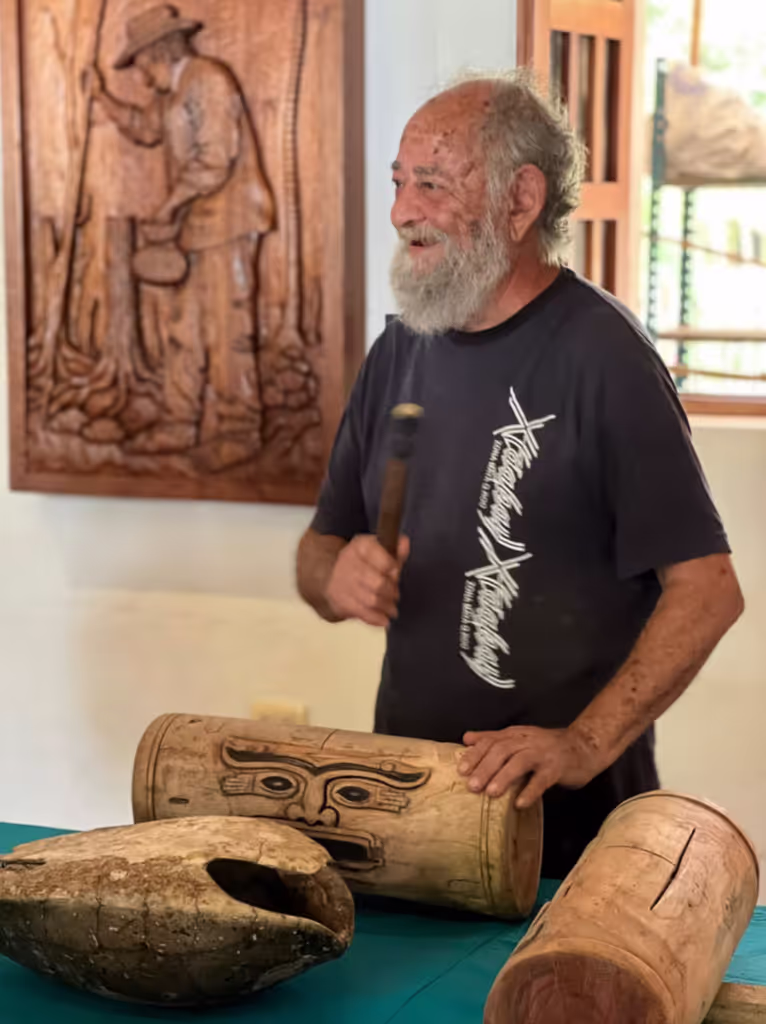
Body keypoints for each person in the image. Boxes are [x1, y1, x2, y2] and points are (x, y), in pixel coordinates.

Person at [295, 72, 744, 879]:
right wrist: (335, 577)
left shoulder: (605, 357)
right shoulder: (400, 351)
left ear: (521, 199)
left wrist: (583, 744)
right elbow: (319, 548)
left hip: (570, 837)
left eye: (431, 185)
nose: (401, 212)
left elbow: (708, 590)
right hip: (411, 807)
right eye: (398, 184)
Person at [92, 4, 274, 464]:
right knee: (184, 328)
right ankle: (178, 421)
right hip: (195, 229)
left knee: (228, 327)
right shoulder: (172, 91)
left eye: (140, 63)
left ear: (160, 52)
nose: (139, 74)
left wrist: (168, 206)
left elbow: (215, 158)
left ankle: (239, 430)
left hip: (230, 224)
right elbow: (146, 128)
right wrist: (101, 98)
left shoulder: (208, 80)